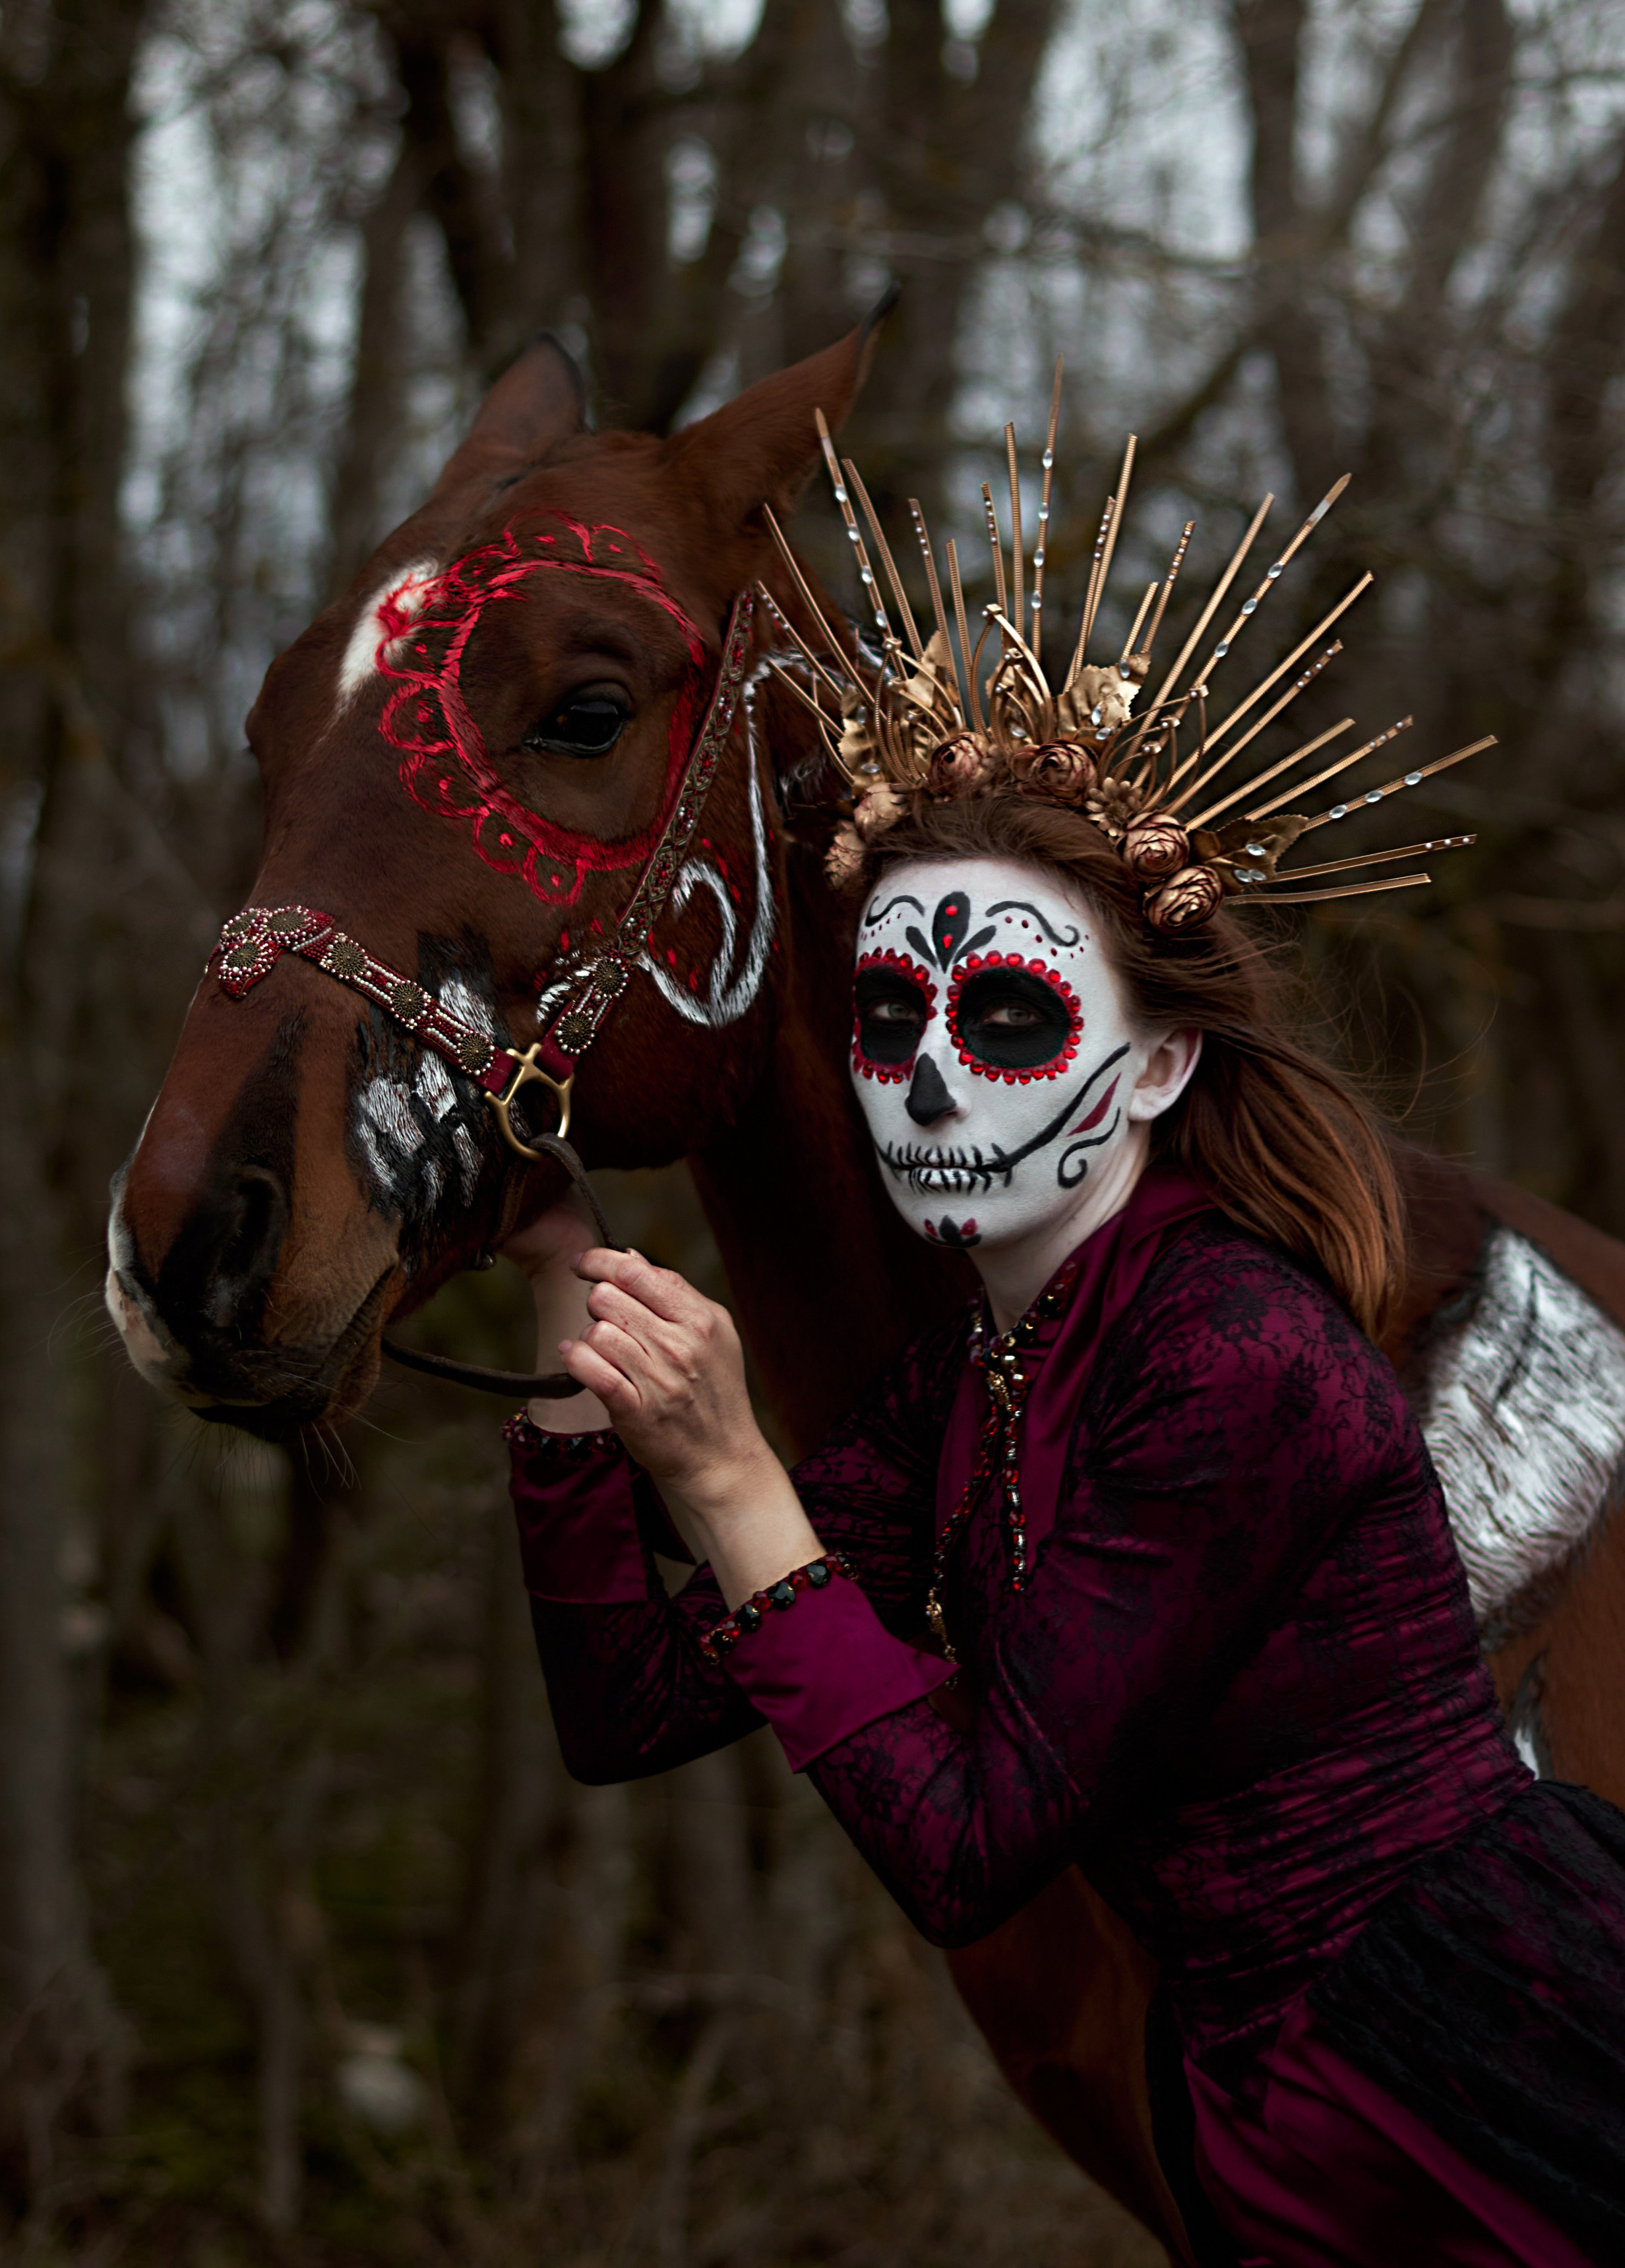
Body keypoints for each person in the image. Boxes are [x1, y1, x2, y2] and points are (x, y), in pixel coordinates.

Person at [497, 461, 1625, 2265]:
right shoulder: (983, 1380)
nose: (926, 1075)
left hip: (1488, 2083)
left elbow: (968, 1837)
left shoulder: (1233, 1358)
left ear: (1162, 1064)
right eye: (887, 1013)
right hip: (1255, 2114)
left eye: (1009, 1013)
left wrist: (728, 1481)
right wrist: (570, 1376)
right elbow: (629, 1712)